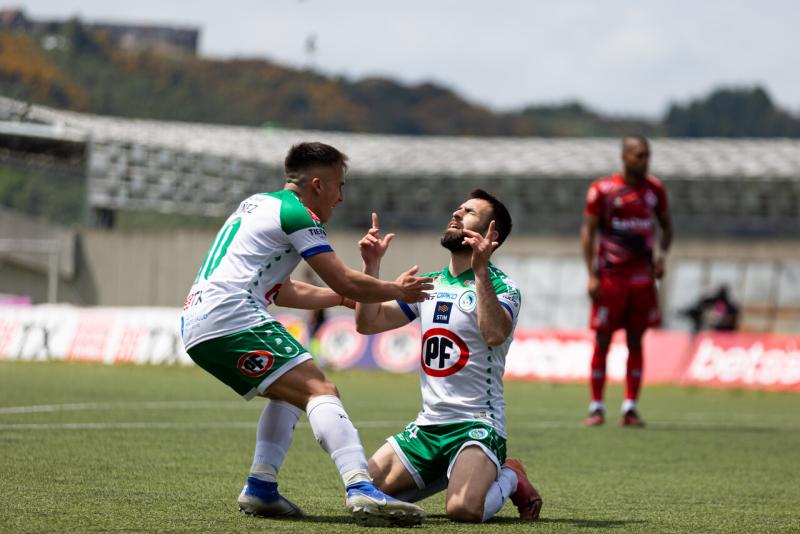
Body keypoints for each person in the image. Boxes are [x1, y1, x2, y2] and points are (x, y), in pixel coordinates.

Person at [180, 142, 433, 527]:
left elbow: (281, 289)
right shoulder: (298, 215)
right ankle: (361, 487)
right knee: (321, 390)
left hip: (200, 322)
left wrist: (343, 298)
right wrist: (397, 291)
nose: (341, 197)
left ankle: (261, 486)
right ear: (318, 184)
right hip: (231, 316)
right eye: (339, 186)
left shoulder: (258, 204)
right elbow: (343, 277)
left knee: (292, 394)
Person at [354, 190, 543, 523]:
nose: (456, 214)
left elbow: (494, 334)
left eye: (469, 212)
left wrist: (481, 271)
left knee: (463, 510)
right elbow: (368, 323)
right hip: (428, 427)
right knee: (362, 492)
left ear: (491, 234)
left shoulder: (504, 287)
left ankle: (511, 475)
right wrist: (372, 268)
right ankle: (452, 471)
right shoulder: (429, 285)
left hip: (477, 425)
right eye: (457, 209)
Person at [581, 135, 673, 427]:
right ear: (625, 157)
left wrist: (661, 256)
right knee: (603, 340)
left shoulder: (654, 189)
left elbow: (667, 227)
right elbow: (588, 232)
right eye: (639, 156)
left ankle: (630, 408)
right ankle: (596, 407)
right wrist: (592, 274)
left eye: (647, 155)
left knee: (636, 340)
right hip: (611, 278)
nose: (644, 161)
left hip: (642, 280)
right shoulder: (603, 190)